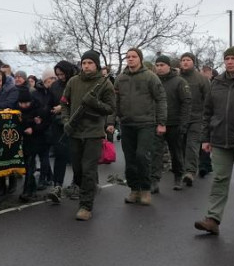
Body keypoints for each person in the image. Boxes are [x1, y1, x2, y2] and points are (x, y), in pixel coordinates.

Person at [194, 46, 234, 235]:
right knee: (220, 179)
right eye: (227, 58)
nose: (229, 61)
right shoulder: (217, 82)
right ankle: (213, 218)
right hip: (220, 138)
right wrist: (206, 138)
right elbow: (208, 112)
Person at [59, 51, 116, 219]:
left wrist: (94, 103)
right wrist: (66, 121)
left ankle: (86, 206)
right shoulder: (73, 81)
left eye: (90, 63)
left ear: (96, 65)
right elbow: (64, 104)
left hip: (93, 133)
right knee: (77, 169)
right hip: (75, 132)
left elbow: (111, 108)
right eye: (84, 63)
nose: (86, 66)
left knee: (88, 170)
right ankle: (87, 189)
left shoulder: (105, 84)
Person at [115, 48, 166, 206]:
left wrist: (162, 123)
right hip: (127, 123)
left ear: (140, 59)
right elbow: (114, 101)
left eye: (134, 57)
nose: (130, 59)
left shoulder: (150, 77)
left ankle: (145, 189)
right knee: (130, 159)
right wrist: (111, 122)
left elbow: (161, 99)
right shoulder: (120, 78)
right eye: (128, 57)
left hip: (146, 123)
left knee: (142, 156)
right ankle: (134, 189)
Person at [151, 55, 191, 192]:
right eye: (157, 65)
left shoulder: (179, 82)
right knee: (156, 152)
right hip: (156, 123)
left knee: (176, 152)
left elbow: (186, 103)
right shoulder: (153, 81)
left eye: (162, 65)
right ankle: (154, 181)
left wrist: (183, 123)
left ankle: (178, 177)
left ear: (169, 66)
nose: (159, 68)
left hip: (174, 123)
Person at [45, 61, 77, 202]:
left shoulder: (76, 83)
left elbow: (80, 102)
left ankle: (77, 183)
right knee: (60, 155)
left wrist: (62, 107)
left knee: (75, 156)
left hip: (73, 124)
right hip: (58, 125)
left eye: (62, 74)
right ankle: (57, 185)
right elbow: (49, 103)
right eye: (57, 75)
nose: (60, 77)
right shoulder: (54, 86)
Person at [178, 52, 209, 187]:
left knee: (192, 144)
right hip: (180, 118)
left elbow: (208, 99)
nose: (185, 62)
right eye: (183, 60)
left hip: (197, 118)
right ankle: (182, 169)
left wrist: (207, 117)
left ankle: (190, 172)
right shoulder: (177, 78)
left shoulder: (201, 79)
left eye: (188, 60)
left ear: (193, 62)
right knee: (181, 145)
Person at [16, 86, 48, 202]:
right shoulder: (17, 109)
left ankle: (27, 191)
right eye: (21, 103)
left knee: (30, 165)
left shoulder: (38, 109)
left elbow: (44, 124)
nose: (24, 106)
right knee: (27, 165)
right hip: (25, 140)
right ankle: (31, 189)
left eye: (26, 103)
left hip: (36, 140)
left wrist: (33, 129)